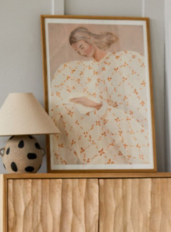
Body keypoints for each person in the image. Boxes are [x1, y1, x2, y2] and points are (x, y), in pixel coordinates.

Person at [48, 26, 152, 167]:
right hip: (96, 118)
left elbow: (128, 101)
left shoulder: (121, 60)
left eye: (81, 47)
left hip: (115, 117)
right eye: (77, 51)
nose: (81, 52)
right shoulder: (82, 69)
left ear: (89, 40)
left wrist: (93, 104)